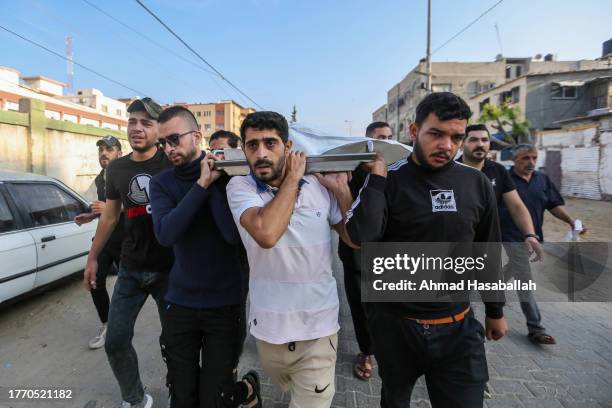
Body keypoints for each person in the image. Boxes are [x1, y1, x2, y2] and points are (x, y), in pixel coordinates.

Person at [346, 92, 508, 407]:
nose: (446, 145)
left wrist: (495, 311)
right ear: (413, 131)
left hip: (458, 328)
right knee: (395, 399)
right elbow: (361, 236)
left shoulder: (475, 184)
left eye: (456, 137)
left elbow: (488, 248)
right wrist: (377, 181)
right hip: (396, 328)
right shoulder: (386, 180)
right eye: (436, 133)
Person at [226, 111, 356, 408]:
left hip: (318, 330)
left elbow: (353, 239)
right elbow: (267, 233)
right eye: (252, 145)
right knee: (284, 385)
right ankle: (252, 388)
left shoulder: (319, 186)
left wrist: (342, 191)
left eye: (270, 143)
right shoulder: (240, 188)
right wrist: (294, 177)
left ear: (288, 147)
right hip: (268, 330)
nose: (260, 153)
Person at [149, 106, 261, 408]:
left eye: (174, 139)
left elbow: (230, 235)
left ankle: (248, 389)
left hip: (224, 304)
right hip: (181, 302)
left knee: (216, 398)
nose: (168, 148)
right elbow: (166, 233)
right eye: (163, 143)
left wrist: (214, 181)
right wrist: (201, 184)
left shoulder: (230, 178)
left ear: (197, 136)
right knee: (182, 394)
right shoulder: (161, 183)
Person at [83, 97, 174, 408]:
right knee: (116, 341)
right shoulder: (117, 169)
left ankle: (181, 387)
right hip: (131, 268)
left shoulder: (171, 163)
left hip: (170, 270)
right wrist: (93, 258)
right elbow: (110, 216)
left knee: (177, 341)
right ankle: (135, 399)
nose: (137, 128)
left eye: (146, 122)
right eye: (132, 121)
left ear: (159, 129)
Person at [498, 143, 587, 345]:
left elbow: (553, 206)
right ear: (514, 160)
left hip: (533, 237)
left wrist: (572, 222)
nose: (531, 162)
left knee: (514, 269)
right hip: (509, 235)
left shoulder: (542, 179)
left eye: (534, 158)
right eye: (525, 158)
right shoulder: (504, 179)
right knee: (524, 278)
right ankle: (536, 328)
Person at [338, 121, 393, 381]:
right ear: (368, 142)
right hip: (356, 254)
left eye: (389, 138)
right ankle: (366, 352)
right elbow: (346, 212)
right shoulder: (352, 170)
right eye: (380, 138)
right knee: (360, 307)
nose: (387, 143)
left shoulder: (396, 170)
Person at [74, 135, 124, 350]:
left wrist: (113, 210)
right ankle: (108, 325)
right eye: (101, 149)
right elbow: (105, 207)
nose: (104, 153)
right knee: (95, 280)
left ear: (119, 153)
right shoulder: (99, 179)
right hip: (106, 239)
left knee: (130, 287)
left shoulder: (127, 173)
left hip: (128, 240)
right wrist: (92, 216)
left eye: (109, 149)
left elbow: (142, 206)